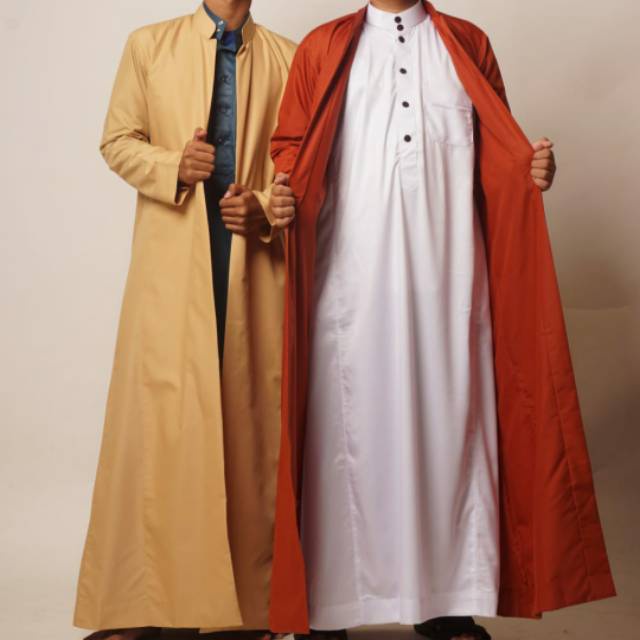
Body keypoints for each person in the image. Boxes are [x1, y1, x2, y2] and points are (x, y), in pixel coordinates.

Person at [266, 1, 615, 639]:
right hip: (352, 279)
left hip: (453, 279)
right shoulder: (322, 47)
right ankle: (329, 609)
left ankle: (448, 602)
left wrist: (533, 169)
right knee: (348, 432)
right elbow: (291, 150)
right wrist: (283, 188)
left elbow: (499, 150)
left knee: (452, 426)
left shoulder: (467, 42)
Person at [73, 2, 296, 639]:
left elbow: (301, 169)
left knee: (250, 427)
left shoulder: (287, 57)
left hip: (253, 264)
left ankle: (247, 610)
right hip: (172, 263)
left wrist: (263, 208)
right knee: (159, 428)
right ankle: (142, 605)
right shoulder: (149, 45)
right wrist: (174, 165)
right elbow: (117, 140)